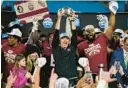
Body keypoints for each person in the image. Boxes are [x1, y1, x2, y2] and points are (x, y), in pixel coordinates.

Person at [77, 5, 116, 74]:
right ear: (84, 34)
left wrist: (113, 12)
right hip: (89, 76)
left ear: (94, 32)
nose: (90, 33)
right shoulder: (81, 46)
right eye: (88, 31)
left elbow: (111, 26)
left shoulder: (102, 38)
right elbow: (77, 58)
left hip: (103, 74)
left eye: (91, 30)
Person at [52, 10, 77, 79]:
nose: (65, 40)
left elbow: (74, 34)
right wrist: (59, 18)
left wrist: (72, 21)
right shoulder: (56, 49)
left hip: (72, 78)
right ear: (59, 41)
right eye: (63, 38)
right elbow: (56, 33)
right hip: (59, 78)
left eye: (67, 38)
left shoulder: (72, 48)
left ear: (69, 41)